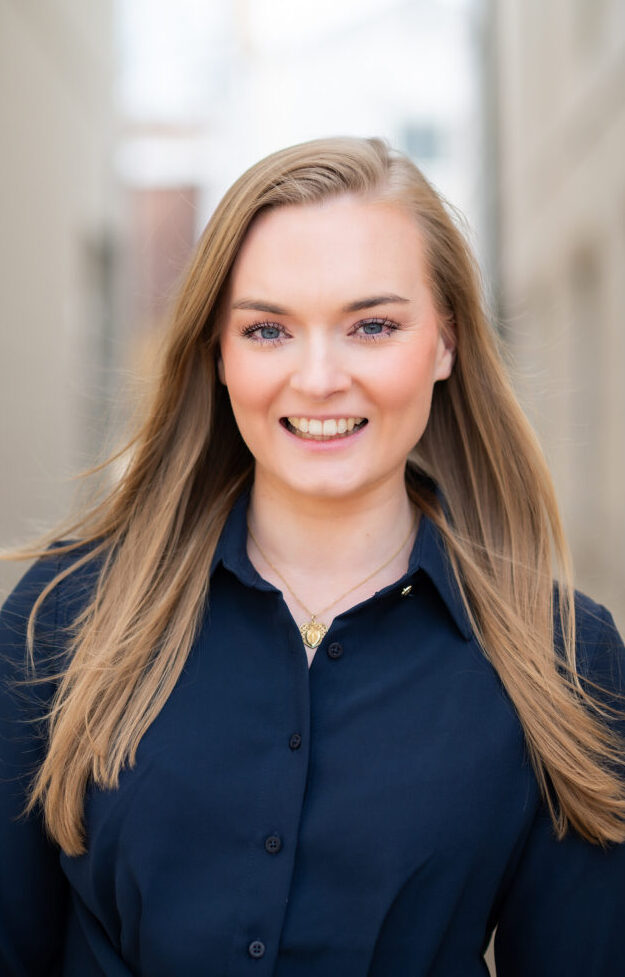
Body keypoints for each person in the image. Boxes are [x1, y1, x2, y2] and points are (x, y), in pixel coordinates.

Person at [1, 136, 624, 977]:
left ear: (445, 342)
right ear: (218, 353)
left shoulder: (565, 661)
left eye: (372, 326)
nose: (319, 377)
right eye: (268, 329)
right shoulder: (61, 615)